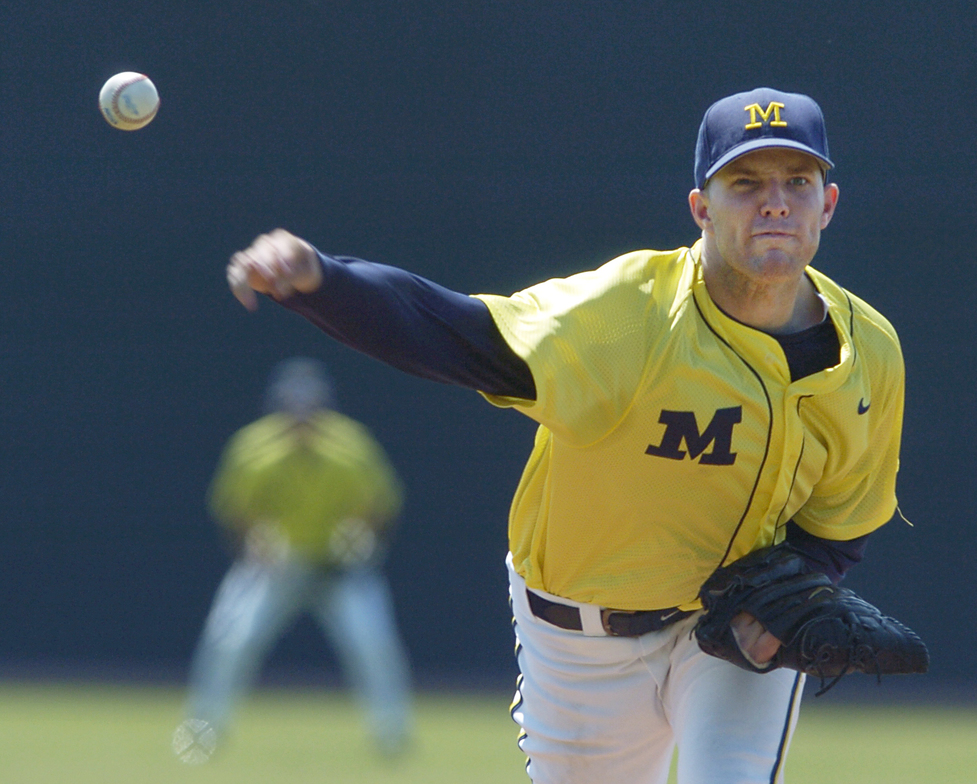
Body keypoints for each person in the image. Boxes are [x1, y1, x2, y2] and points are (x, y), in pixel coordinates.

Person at [223, 88, 905, 783]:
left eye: (798, 181)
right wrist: (324, 282)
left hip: (729, 634)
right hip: (582, 645)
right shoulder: (628, 315)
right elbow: (463, 336)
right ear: (701, 208)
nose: (775, 202)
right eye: (745, 182)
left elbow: (839, 521)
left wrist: (802, 588)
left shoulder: (871, 353)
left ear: (828, 203)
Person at [173, 357, 413, 764]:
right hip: (278, 568)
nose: (302, 417)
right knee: (231, 639)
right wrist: (252, 541)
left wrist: (363, 535)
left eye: (310, 407)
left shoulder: (351, 447)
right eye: (293, 407)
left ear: (324, 407)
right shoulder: (253, 449)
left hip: (339, 569)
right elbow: (232, 507)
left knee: (373, 645)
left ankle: (392, 734)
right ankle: (203, 731)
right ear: (278, 407)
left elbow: (383, 503)